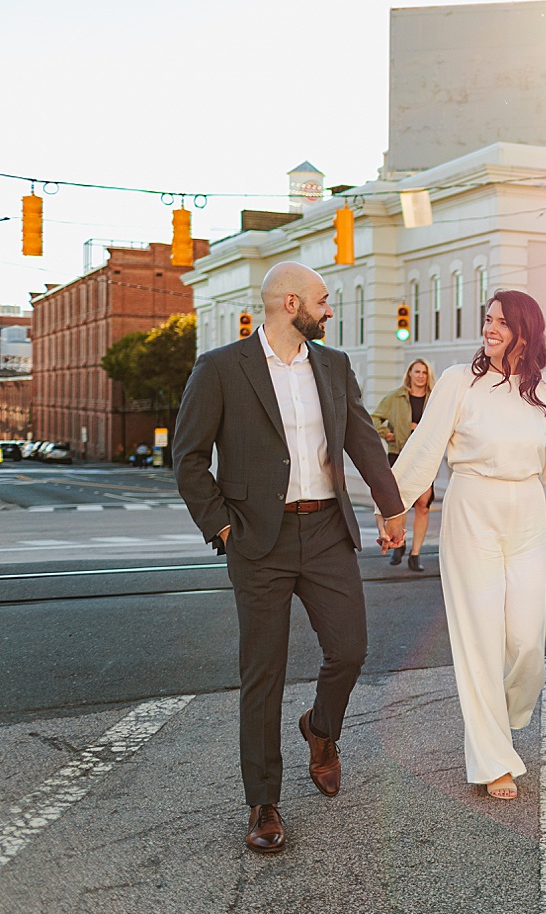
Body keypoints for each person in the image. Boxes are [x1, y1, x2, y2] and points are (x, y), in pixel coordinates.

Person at [172, 261, 408, 854]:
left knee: (351, 648)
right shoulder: (222, 368)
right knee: (264, 672)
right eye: (324, 302)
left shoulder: (333, 365)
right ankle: (264, 802)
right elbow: (189, 458)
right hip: (258, 540)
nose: (330, 311)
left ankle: (320, 730)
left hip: (327, 529)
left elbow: (360, 437)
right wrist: (223, 528)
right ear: (292, 302)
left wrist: (392, 505)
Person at [391, 289, 546, 800]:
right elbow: (425, 447)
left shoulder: (544, 389)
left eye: (501, 322)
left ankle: (506, 712)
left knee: (525, 643)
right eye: (488, 320)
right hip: (471, 508)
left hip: (525, 514)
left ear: (526, 331)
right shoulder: (459, 381)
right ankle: (492, 757)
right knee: (478, 638)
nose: (490, 329)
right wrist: (394, 508)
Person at [371, 357, 436, 570]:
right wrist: (386, 433)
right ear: (409, 373)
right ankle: (400, 544)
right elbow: (373, 418)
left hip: (424, 456)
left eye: (424, 373)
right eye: (416, 371)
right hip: (398, 454)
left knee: (423, 505)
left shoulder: (434, 399)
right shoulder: (395, 397)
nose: (420, 376)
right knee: (399, 505)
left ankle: (415, 554)